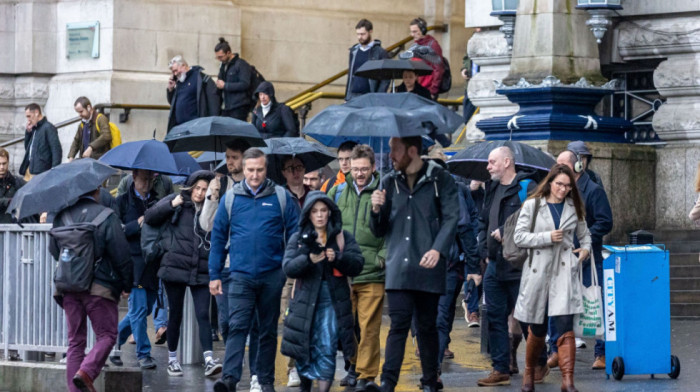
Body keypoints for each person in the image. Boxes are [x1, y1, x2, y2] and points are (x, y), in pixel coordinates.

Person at [365, 136, 459, 392]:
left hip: (429, 267)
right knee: (398, 325)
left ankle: (430, 380)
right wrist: (375, 210)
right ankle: (388, 383)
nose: (391, 156)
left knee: (427, 327)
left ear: (412, 151)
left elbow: (452, 218)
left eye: (396, 150)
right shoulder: (387, 181)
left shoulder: (440, 179)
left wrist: (438, 249)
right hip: (399, 268)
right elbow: (378, 230)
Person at [209, 148, 300, 392]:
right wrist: (214, 275)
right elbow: (218, 237)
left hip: (272, 275)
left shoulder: (280, 197)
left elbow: (294, 233)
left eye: (259, 169)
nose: (255, 175)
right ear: (244, 168)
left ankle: (266, 381)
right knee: (237, 326)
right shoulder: (231, 199)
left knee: (267, 331)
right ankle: (229, 380)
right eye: (250, 170)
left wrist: (287, 266)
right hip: (240, 276)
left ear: (266, 168)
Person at [513, 164, 591, 392]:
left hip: (564, 272)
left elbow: (585, 236)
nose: (563, 189)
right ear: (550, 183)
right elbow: (519, 237)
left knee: (565, 325)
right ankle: (529, 372)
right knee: (537, 327)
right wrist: (547, 237)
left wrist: (584, 251)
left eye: (568, 186)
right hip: (538, 271)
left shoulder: (573, 206)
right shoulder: (533, 204)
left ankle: (568, 381)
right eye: (559, 184)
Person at [49, 188, 133, 392]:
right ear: (96, 192)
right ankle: (86, 372)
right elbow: (121, 254)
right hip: (99, 288)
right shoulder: (106, 216)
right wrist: (127, 284)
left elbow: (54, 249)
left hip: (68, 287)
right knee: (107, 335)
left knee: (75, 342)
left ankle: (75, 388)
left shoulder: (62, 216)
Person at [281, 191, 365, 392]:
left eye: (324, 210)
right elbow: (288, 267)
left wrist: (337, 257)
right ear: (308, 214)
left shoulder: (342, 237)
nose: (319, 215)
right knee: (304, 348)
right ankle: (305, 387)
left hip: (332, 301)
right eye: (315, 211)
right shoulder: (299, 238)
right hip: (304, 302)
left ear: (330, 212)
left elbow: (357, 264)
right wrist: (308, 259)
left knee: (327, 347)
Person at [477, 146, 546, 387]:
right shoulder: (492, 188)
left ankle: (539, 362)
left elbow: (541, 221)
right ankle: (500, 367)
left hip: (521, 265)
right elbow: (483, 221)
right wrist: (483, 252)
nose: (488, 166)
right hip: (495, 265)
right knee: (495, 318)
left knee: (528, 318)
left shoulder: (527, 187)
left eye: (492, 162)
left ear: (507, 162)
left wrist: (508, 234)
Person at [143, 170, 222, 377]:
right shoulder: (177, 200)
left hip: (202, 268)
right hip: (175, 266)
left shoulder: (211, 206)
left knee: (203, 314)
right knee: (175, 314)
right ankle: (172, 359)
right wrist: (172, 204)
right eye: (197, 188)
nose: (200, 193)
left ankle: (208, 359)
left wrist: (213, 198)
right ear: (190, 186)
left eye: (204, 189)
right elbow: (150, 217)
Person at [327, 145, 385, 391]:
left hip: (372, 270)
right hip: (343, 271)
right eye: (355, 168)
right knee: (345, 325)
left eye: (364, 169)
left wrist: (384, 254)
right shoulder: (337, 192)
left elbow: (394, 229)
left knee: (369, 327)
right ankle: (354, 364)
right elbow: (323, 221)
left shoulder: (384, 193)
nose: (359, 173)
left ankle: (366, 375)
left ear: (373, 167)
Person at [555, 148, 613, 370]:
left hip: (589, 259)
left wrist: (584, 240)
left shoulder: (594, 190)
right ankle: (557, 350)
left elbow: (605, 222)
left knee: (595, 303)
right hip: (565, 257)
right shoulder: (561, 191)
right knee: (562, 305)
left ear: (578, 165)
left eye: (563, 164)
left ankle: (602, 354)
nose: (558, 169)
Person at [109, 169, 160, 369]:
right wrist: (137, 223)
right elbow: (117, 230)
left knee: (145, 308)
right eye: (144, 178)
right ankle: (143, 353)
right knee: (138, 309)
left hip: (153, 261)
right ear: (134, 176)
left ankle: (113, 341)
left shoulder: (157, 201)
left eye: (150, 179)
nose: (147, 183)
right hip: (133, 261)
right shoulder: (121, 201)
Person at [166, 55, 221, 131]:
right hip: (180, 128)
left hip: (196, 127)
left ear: (183, 66)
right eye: (173, 72)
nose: (175, 74)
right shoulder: (180, 81)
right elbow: (172, 103)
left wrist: (212, 123)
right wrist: (170, 89)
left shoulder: (201, 78)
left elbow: (213, 102)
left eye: (176, 70)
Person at [345, 19, 390, 101]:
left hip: (370, 96)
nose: (360, 37)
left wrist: (378, 97)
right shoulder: (354, 51)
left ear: (370, 31)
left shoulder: (380, 52)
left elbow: (386, 78)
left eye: (363, 34)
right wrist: (347, 97)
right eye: (358, 34)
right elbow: (350, 75)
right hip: (353, 96)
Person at [20, 103, 62, 180]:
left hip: (41, 172)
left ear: (36, 112)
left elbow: (56, 150)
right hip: (30, 170)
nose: (28, 120)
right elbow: (28, 149)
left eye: (29, 116)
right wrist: (28, 132)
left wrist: (54, 171)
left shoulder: (48, 127)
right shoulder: (35, 128)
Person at [215, 38, 253, 120]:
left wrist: (225, 85)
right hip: (226, 107)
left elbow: (245, 84)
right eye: (217, 57)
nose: (219, 59)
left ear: (228, 53)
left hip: (239, 107)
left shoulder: (241, 64)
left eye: (221, 57)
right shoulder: (223, 65)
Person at [409, 17, 445, 99]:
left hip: (428, 90)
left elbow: (438, 70)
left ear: (423, 30)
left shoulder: (433, 45)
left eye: (415, 31)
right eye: (411, 32)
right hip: (417, 89)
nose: (412, 35)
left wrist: (433, 91)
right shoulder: (415, 46)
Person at [68, 97, 112, 161]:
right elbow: (76, 141)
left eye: (81, 111)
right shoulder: (83, 123)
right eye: (78, 112)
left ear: (88, 108)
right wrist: (71, 156)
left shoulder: (100, 119)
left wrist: (91, 147)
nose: (80, 115)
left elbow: (106, 136)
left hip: (100, 160)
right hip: (86, 161)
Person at [0, 148, 26, 223]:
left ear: (8, 163)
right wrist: (8, 201)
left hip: (12, 227)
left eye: (4, 163)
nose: (2, 167)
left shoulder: (16, 181)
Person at [460, 28, 480, 123]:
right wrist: (464, 70)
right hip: (470, 84)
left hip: (481, 84)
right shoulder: (472, 39)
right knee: (467, 116)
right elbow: (466, 59)